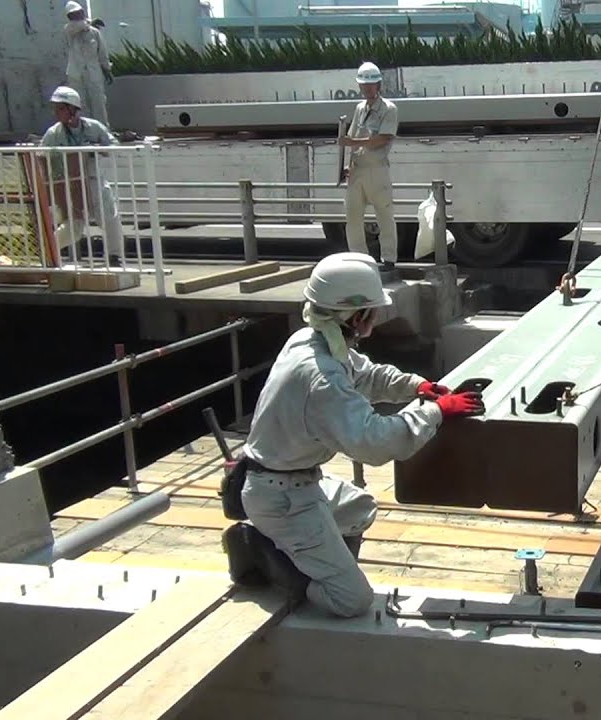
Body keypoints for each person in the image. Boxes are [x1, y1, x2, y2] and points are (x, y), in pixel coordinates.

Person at [221, 253, 485, 617]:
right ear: (356, 317)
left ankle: (306, 555)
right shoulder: (322, 379)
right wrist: (435, 411)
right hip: (282, 500)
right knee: (352, 600)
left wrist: (416, 386)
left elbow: (365, 375)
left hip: (289, 483)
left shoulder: (310, 341)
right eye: (372, 312)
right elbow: (374, 442)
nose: (375, 318)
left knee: (358, 508)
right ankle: (260, 549)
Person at [39, 85, 125, 265]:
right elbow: (41, 156)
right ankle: (47, 253)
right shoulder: (53, 133)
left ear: (73, 109)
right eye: (55, 109)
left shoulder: (94, 127)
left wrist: (97, 148)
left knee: (109, 216)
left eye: (61, 108)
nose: (56, 113)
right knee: (73, 226)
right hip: (70, 184)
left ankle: (114, 256)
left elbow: (113, 146)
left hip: (93, 180)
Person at [339, 62, 401, 272]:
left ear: (378, 85)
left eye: (370, 84)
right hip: (358, 169)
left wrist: (353, 142)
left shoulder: (389, 109)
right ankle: (360, 260)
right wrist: (348, 167)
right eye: (363, 85)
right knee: (353, 216)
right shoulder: (359, 108)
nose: (366, 88)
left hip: (377, 169)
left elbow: (383, 138)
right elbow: (353, 138)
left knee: (384, 214)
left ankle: (388, 259)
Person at [64, 1, 113, 127]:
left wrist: (107, 69)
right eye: (74, 14)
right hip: (76, 75)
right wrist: (90, 22)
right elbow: (77, 27)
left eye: (79, 12)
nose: (77, 15)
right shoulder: (69, 31)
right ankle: (83, 131)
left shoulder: (94, 33)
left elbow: (102, 53)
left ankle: (102, 130)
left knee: (99, 104)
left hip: (93, 73)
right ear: (69, 17)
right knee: (80, 105)